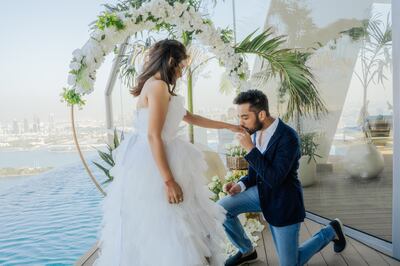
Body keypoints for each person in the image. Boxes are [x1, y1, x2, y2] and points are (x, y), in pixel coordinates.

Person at [94, 39, 242, 266]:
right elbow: (154, 135)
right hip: (155, 162)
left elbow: (189, 117)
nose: (182, 73)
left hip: (163, 154)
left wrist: (227, 126)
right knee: (169, 226)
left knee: (179, 223)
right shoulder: (157, 87)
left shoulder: (158, 86)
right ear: (171, 61)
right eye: (181, 67)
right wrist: (168, 180)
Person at [218, 89, 347, 266]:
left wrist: (250, 149)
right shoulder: (255, 132)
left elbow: (274, 179)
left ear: (261, 114)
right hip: (261, 194)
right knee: (221, 210)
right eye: (239, 117)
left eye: (245, 117)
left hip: (283, 203)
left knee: (290, 264)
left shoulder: (288, 137)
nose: (241, 123)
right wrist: (239, 186)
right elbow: (255, 174)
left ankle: (330, 231)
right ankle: (247, 251)